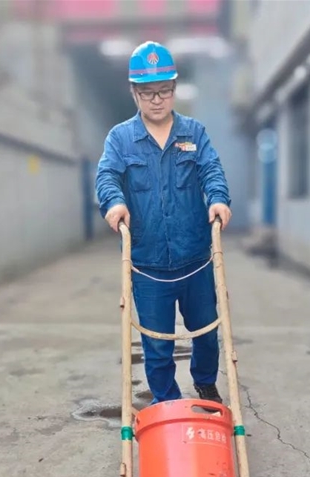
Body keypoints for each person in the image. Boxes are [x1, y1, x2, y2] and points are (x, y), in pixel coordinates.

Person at [95, 40, 233, 405]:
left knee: (206, 332)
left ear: (174, 88)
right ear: (134, 92)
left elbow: (211, 170)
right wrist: (115, 203)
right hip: (148, 262)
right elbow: (107, 176)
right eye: (147, 92)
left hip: (195, 258)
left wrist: (218, 199)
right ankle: (167, 401)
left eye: (164, 90)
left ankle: (205, 383)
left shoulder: (194, 133)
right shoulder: (120, 138)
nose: (157, 100)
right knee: (156, 343)